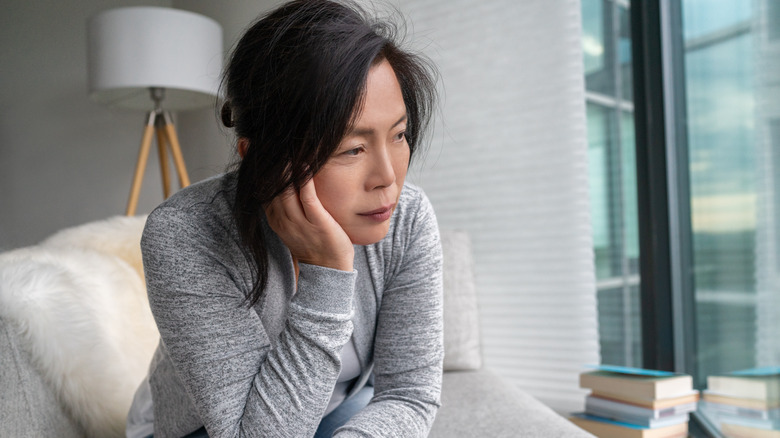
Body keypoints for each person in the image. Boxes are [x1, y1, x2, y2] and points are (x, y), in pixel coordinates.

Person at [125, 1, 443, 437]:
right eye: (352, 149)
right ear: (262, 160)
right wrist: (327, 273)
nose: (388, 178)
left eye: (399, 135)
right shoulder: (184, 235)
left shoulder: (408, 219)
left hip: (336, 412)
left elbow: (409, 394)